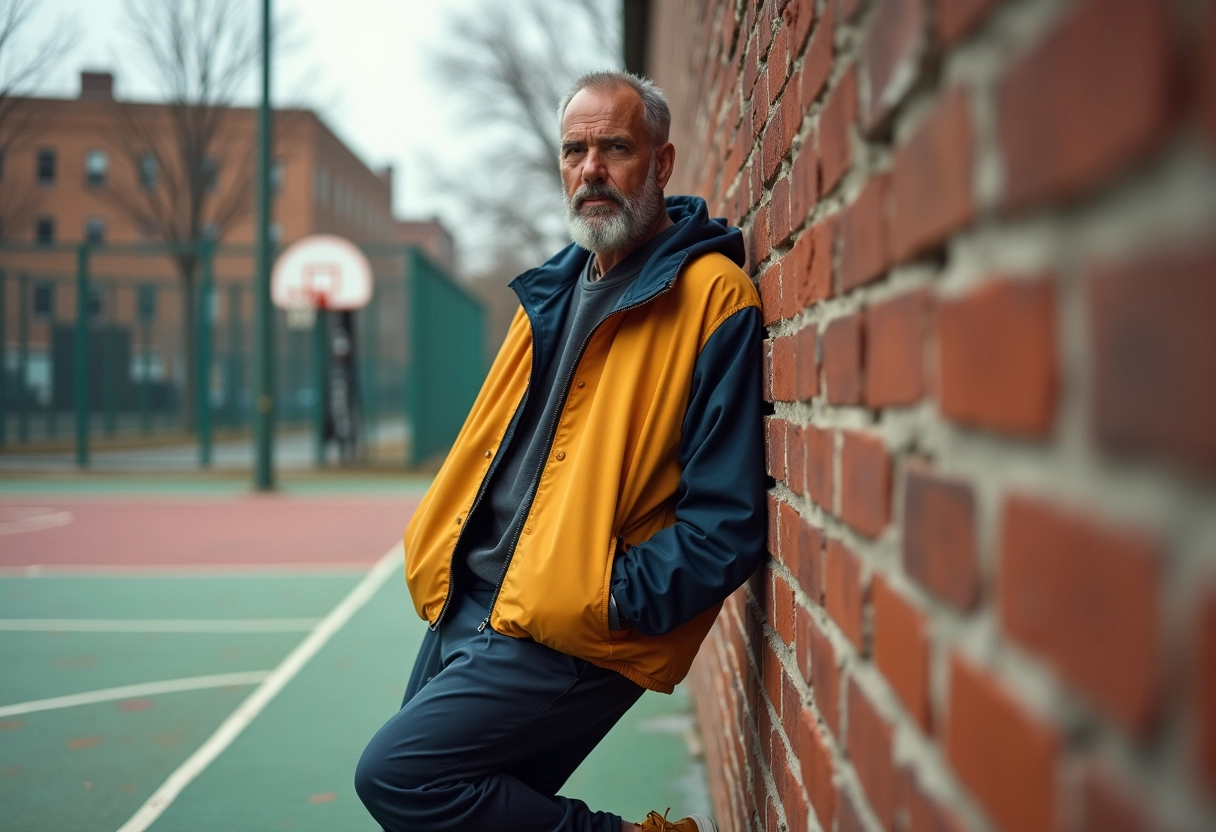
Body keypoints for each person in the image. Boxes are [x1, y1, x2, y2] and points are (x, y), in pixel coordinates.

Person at [355, 70, 766, 832]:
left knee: (402, 778)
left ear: (662, 163)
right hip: (469, 605)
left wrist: (602, 594)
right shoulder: (550, 291)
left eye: (616, 147)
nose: (592, 171)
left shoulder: (713, 297)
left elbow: (727, 524)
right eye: (575, 150)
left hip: (569, 624)